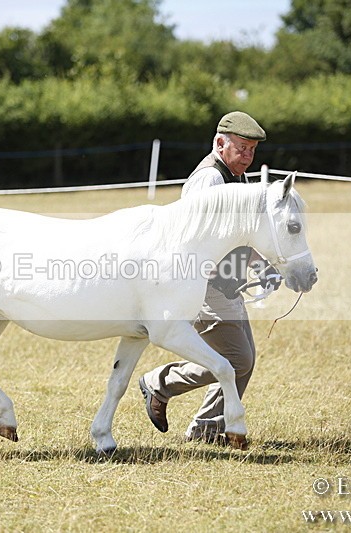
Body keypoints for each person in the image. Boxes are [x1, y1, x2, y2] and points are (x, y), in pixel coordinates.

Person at [139, 111, 271, 445]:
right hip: (207, 284)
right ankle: (162, 385)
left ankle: (207, 428)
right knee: (237, 359)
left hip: (227, 282)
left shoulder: (236, 178)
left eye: (252, 150)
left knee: (243, 359)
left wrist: (261, 264)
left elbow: (237, 235)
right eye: (241, 148)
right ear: (219, 143)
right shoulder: (209, 180)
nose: (247, 156)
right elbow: (191, 238)